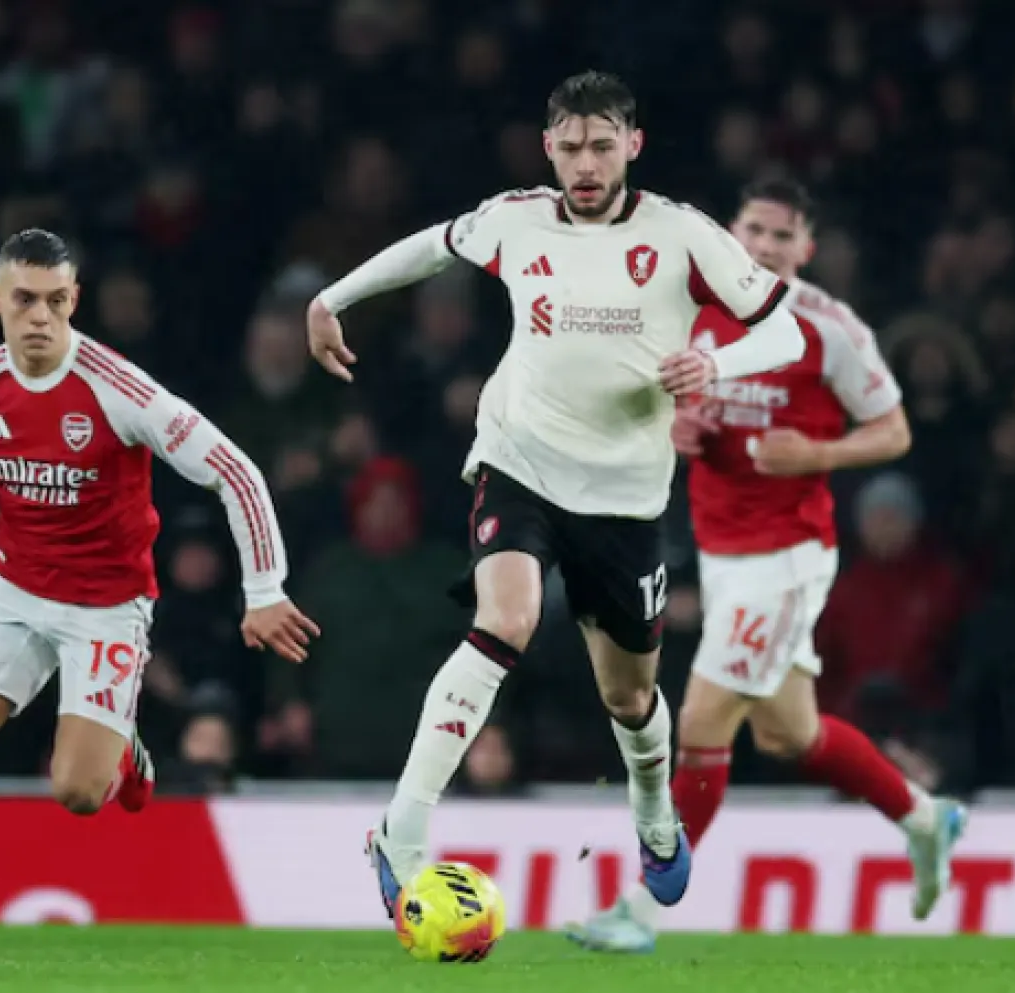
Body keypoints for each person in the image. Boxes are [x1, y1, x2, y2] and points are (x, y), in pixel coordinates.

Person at [307, 71, 805, 915]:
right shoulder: (515, 219)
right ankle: (402, 828)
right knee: (505, 619)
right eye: (570, 146)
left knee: (630, 696)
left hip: (625, 498)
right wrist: (332, 297)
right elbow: (434, 244)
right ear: (549, 147)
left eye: (602, 145)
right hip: (521, 461)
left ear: (632, 145)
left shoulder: (684, 236)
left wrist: (717, 361)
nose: (585, 162)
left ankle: (653, 817)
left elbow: (785, 328)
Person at [0, 229, 317, 959]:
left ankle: (124, 749)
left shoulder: (118, 389)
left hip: (107, 603)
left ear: (74, 300)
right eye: (23, 299)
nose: (38, 315)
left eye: (54, 300)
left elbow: (237, 471)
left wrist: (264, 589)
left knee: (77, 792)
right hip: (13, 588)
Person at [568, 178, 967, 953]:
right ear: (731, 229)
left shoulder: (830, 327)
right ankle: (925, 816)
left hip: (786, 558)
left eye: (785, 237)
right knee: (793, 733)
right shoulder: (690, 304)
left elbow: (894, 431)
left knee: (702, 722)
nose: (766, 246)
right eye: (756, 229)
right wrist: (674, 425)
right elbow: (659, 403)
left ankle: (641, 910)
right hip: (723, 555)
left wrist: (819, 452)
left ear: (806, 250)